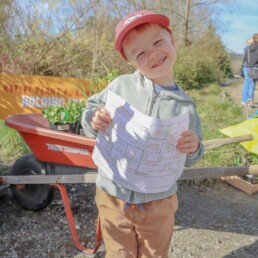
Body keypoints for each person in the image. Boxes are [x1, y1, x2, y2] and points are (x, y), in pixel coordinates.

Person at [81, 10, 204, 258]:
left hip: (159, 202)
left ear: (172, 41)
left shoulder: (185, 106)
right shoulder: (120, 86)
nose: (153, 53)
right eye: (140, 53)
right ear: (131, 61)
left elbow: (192, 157)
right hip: (112, 194)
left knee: (155, 254)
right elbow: (91, 113)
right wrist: (94, 119)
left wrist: (194, 147)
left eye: (158, 42)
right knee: (118, 253)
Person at [241, 36, 258, 109]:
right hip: (249, 68)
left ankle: (244, 100)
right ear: (248, 43)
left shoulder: (246, 49)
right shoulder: (248, 49)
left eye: (252, 42)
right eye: (250, 42)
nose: (252, 43)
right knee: (251, 85)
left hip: (246, 67)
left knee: (247, 84)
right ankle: (249, 102)